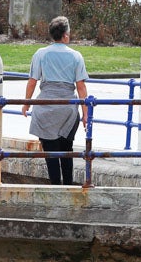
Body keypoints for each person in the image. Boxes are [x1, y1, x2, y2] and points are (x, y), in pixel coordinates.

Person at [21, 15, 90, 186]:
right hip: (67, 109)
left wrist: (26, 102)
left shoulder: (41, 54)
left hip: (45, 108)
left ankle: (55, 187)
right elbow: (81, 87)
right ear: (65, 35)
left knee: (50, 153)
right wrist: (85, 114)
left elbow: (32, 82)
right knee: (67, 150)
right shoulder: (76, 56)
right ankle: (68, 185)